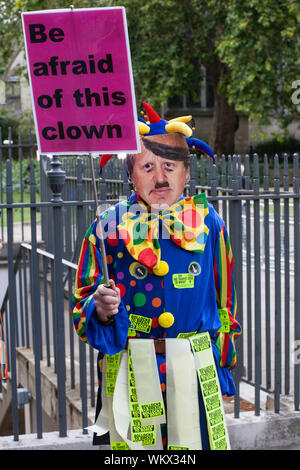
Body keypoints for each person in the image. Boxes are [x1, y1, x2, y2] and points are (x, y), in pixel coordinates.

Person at [71, 102, 241, 450]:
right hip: (130, 371)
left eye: (170, 166)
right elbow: (81, 301)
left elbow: (225, 302)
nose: (160, 178)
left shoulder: (209, 224)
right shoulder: (106, 227)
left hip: (194, 371)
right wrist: (99, 309)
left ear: (186, 173)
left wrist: (223, 364)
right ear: (131, 175)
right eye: (147, 166)